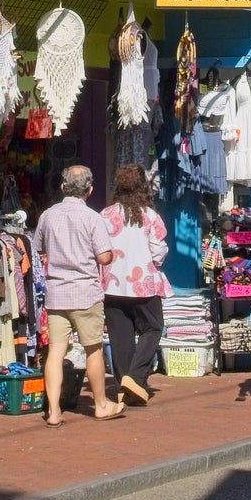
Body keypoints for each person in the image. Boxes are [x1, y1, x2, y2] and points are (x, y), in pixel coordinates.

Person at [30, 164, 124, 424]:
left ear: (62, 187)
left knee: (55, 352)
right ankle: (101, 404)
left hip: (57, 294)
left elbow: (38, 249)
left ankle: (53, 411)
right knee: (93, 349)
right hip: (85, 293)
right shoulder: (93, 218)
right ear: (90, 190)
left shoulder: (48, 216)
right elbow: (104, 256)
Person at [100, 163, 171, 408]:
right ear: (143, 186)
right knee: (153, 328)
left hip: (112, 285)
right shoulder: (150, 216)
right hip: (144, 284)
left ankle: (124, 386)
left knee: (121, 337)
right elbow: (159, 250)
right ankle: (135, 377)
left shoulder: (106, 215)